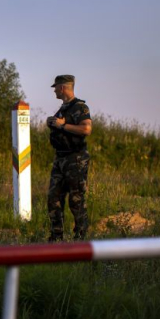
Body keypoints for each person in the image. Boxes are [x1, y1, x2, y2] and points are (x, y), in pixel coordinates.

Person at [46, 75, 93, 241]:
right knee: (53, 198)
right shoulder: (62, 109)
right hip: (60, 159)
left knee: (76, 199)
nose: (54, 90)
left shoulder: (80, 107)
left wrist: (62, 125)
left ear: (62, 88)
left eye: (55, 87)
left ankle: (81, 238)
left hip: (76, 159)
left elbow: (86, 129)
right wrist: (53, 123)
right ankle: (56, 237)